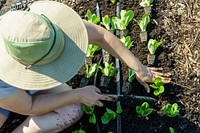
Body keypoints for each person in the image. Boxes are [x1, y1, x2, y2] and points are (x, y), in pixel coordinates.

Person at [0, 1, 171, 132]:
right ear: (26, 66)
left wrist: (139, 68)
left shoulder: (34, 28)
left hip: (15, 86)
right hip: (4, 92)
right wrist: (78, 94)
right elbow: (30, 105)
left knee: (71, 111)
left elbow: (101, 36)